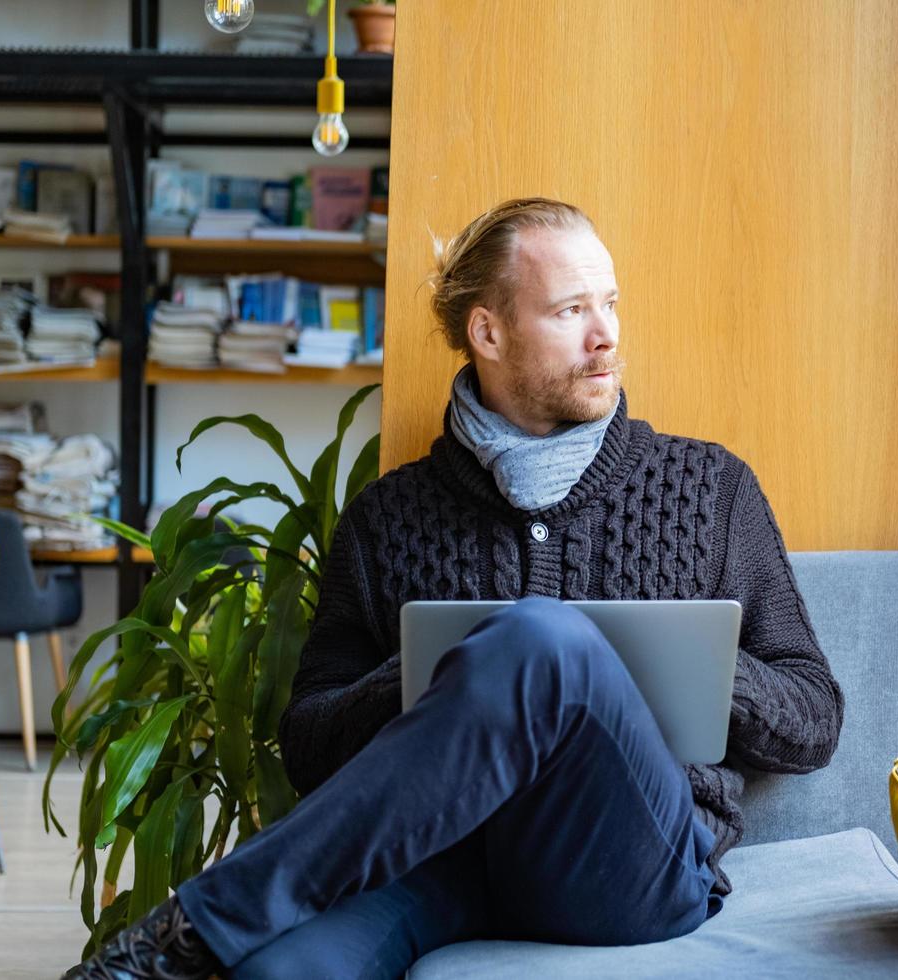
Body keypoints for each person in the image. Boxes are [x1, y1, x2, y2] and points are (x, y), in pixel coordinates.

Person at [67, 198, 844, 980]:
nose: (607, 334)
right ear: (489, 332)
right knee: (284, 971)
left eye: (609, 304)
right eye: (572, 309)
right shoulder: (388, 517)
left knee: (544, 639)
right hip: (437, 859)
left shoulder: (707, 489)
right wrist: (449, 679)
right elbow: (308, 741)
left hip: (626, 863)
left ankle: (192, 924)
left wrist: (661, 665)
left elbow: (816, 715)